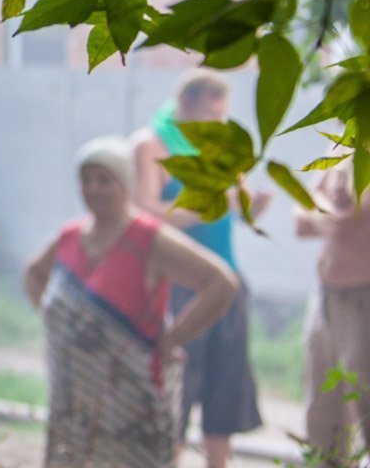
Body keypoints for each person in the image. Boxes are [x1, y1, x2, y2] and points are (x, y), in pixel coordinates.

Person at [24, 136, 238, 468]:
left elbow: (221, 283)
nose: (93, 188)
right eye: (86, 179)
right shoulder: (70, 236)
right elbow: (33, 273)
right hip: (74, 401)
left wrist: (173, 339)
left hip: (132, 401)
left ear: (125, 183)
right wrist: (63, 326)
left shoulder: (147, 237)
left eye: (104, 180)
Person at [131, 68, 272, 468]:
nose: (218, 125)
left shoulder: (221, 147)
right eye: (211, 116)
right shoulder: (151, 145)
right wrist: (209, 205)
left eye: (222, 117)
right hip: (176, 284)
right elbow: (144, 212)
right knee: (176, 385)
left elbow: (239, 209)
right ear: (185, 103)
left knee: (225, 387)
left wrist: (254, 205)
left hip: (227, 280)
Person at [295, 159, 370, 467]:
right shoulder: (339, 146)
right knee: (322, 411)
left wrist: (317, 206)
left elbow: (342, 227)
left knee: (365, 403)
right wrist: (327, 213)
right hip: (325, 297)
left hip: (363, 301)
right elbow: (300, 222)